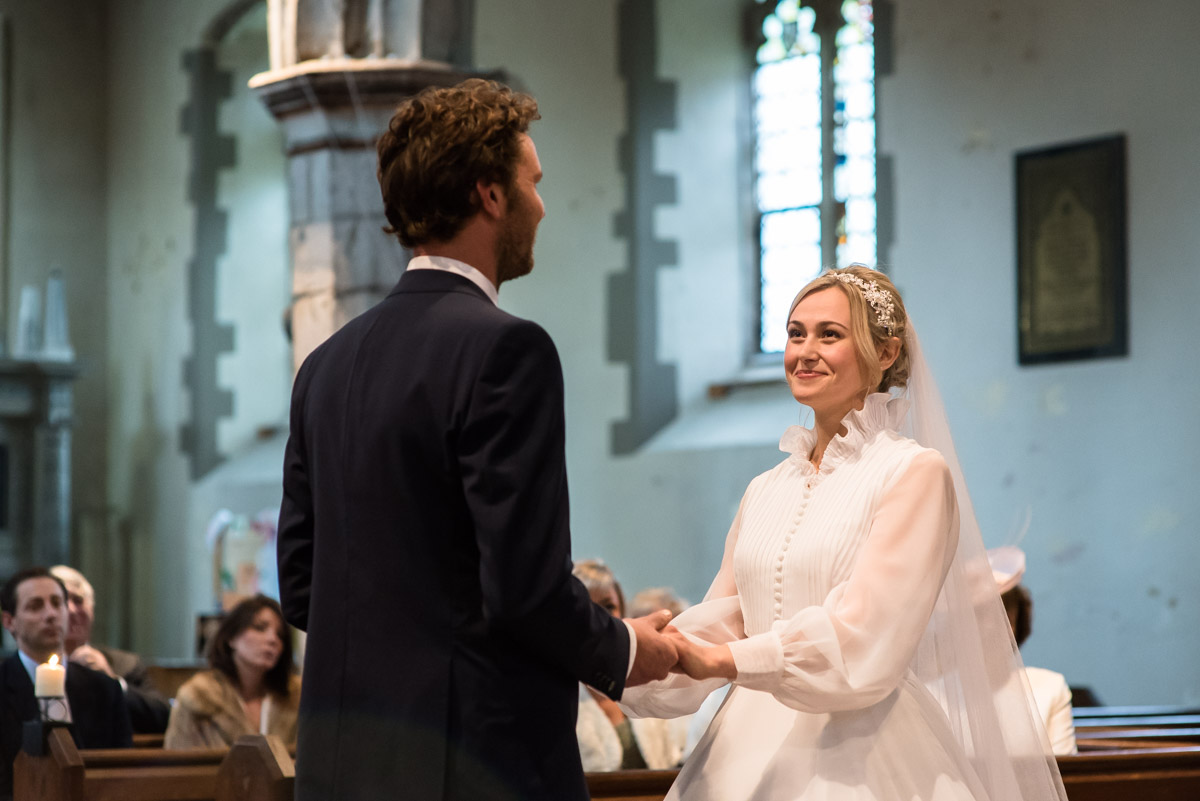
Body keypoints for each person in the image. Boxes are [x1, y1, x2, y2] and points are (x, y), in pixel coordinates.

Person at [276, 78, 677, 801]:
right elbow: (522, 588)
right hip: (473, 767)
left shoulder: (325, 366)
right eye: (534, 182)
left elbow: (303, 586)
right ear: (491, 195)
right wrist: (623, 647)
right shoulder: (505, 350)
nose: (543, 204)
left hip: (342, 769)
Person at [621, 266, 1068, 800]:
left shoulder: (913, 473)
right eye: (795, 334)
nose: (805, 351)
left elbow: (868, 636)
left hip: (858, 750)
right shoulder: (765, 487)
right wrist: (637, 653)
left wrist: (728, 661)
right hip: (745, 748)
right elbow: (730, 618)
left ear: (885, 353)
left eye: (829, 335)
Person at [0, 568, 131, 799]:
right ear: (9, 621)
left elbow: (122, 771)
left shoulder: (105, 690)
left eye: (57, 603)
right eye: (35, 606)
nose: (50, 614)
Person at [573, 560, 688, 771]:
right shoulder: (562, 694)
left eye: (609, 606)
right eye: (590, 609)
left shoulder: (648, 681)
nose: (603, 618)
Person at [164, 594, 299, 749]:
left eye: (280, 635)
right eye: (260, 628)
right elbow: (180, 764)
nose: (272, 639)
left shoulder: (296, 698)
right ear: (232, 637)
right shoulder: (198, 696)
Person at [49, 565, 171, 734]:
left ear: (92, 609)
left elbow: (163, 718)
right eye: (61, 601)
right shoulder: (31, 665)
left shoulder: (125, 664)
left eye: (78, 600)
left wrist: (113, 683)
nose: (71, 609)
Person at [989, 547, 1077, 755]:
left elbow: (1066, 777)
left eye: (1007, 616)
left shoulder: (1050, 688)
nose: (995, 628)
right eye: (982, 616)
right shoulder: (933, 694)